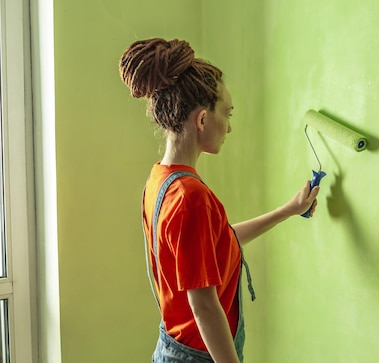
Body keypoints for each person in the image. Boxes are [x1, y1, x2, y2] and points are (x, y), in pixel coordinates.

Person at [119, 38, 319, 363]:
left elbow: (216, 243)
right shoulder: (191, 197)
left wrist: (288, 210)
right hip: (198, 356)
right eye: (226, 113)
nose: (229, 127)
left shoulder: (161, 180)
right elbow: (205, 306)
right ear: (201, 120)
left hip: (173, 346)